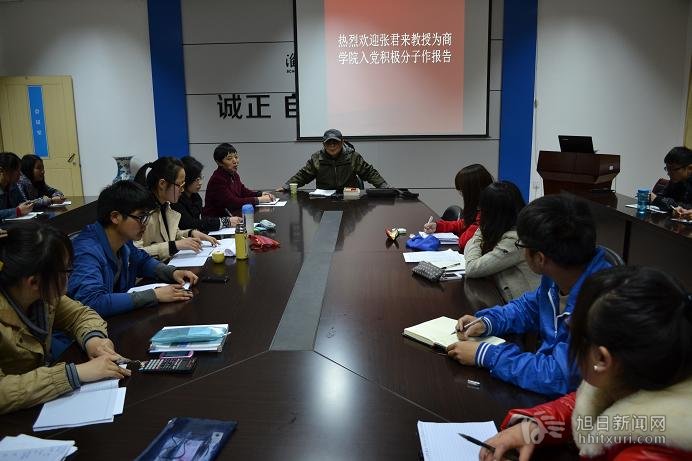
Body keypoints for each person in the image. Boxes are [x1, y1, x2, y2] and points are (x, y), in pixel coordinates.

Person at [479, 266, 692, 461]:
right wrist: (534, 426)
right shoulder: (639, 379)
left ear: (601, 359)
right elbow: (585, 404)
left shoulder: (648, 454)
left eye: (572, 334)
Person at [447, 194, 612, 397]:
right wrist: (488, 321)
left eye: (522, 245)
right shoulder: (559, 274)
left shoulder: (601, 304)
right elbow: (527, 308)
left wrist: (487, 355)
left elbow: (559, 376)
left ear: (540, 258)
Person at [0, 221, 130, 414]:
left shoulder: (43, 295)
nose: (71, 276)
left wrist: (94, 340)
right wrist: (73, 374)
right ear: (33, 282)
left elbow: (80, 315)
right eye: (66, 271)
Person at [67, 180, 199, 317]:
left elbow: (142, 261)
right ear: (115, 217)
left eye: (147, 217)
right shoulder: (86, 252)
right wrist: (154, 295)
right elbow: (92, 302)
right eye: (141, 217)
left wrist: (172, 273)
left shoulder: (123, 240)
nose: (145, 224)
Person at [464, 181, 541, 302]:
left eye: (483, 210)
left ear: (493, 213)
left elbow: (472, 268)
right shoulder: (506, 228)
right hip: (504, 298)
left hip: (524, 308)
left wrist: (479, 234)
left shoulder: (515, 239)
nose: (480, 213)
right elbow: (468, 249)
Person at [134, 157, 217, 261]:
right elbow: (135, 253)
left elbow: (172, 234)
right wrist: (174, 246)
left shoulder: (165, 205)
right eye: (180, 185)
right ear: (162, 184)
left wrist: (191, 233)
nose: (182, 190)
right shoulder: (141, 213)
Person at [278, 129, 390, 192]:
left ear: (342, 142)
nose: (332, 146)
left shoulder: (352, 156)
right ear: (323, 144)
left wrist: (384, 186)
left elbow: (369, 172)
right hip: (324, 199)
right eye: (328, 143)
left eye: (335, 142)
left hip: (349, 198)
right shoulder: (316, 158)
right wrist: (286, 187)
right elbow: (303, 175)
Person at [423, 164, 493, 250]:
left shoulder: (488, 214)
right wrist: (438, 226)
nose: (461, 195)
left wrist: (463, 232)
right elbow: (463, 224)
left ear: (473, 192)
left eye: (463, 191)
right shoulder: (480, 208)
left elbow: (464, 243)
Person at [172, 156, 241, 233]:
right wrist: (225, 222)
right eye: (196, 179)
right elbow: (190, 223)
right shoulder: (175, 200)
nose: (200, 183)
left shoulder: (196, 197)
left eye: (200, 177)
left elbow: (200, 221)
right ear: (187, 179)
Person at [203, 143, 275, 217]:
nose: (235, 161)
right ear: (219, 162)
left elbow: (243, 191)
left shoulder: (234, 174)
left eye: (236, 157)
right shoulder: (217, 179)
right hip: (216, 220)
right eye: (229, 159)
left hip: (232, 217)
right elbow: (233, 202)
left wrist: (260, 194)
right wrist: (260, 199)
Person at [650, 146, 692, 211]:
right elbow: (663, 196)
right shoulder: (676, 180)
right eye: (667, 169)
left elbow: (685, 207)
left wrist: (657, 200)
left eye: (672, 169)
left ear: (689, 168)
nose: (668, 173)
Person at [0, 152, 33, 221]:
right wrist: (17, 211)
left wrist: (27, 206)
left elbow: (22, 203)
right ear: (1, 170)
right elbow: (18, 209)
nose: (20, 174)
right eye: (16, 170)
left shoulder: (13, 184)